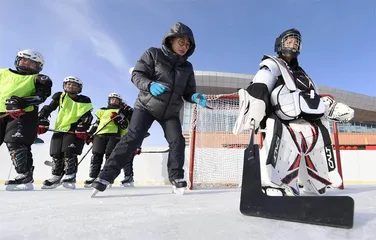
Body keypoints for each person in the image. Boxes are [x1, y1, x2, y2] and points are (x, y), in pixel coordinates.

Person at [233, 28, 354, 196]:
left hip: (308, 123)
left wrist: (331, 108)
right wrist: (256, 103)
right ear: (280, 44)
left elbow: (312, 98)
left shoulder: (303, 74)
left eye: (296, 42)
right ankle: (274, 184)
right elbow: (260, 84)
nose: (293, 44)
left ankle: (314, 183)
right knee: (283, 140)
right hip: (282, 123)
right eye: (289, 41)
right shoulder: (272, 65)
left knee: (318, 141)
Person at [91, 22, 207, 195]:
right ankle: (105, 176)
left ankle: (176, 177)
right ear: (170, 40)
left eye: (188, 44)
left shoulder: (187, 67)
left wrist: (194, 97)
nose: (184, 47)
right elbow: (137, 75)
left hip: (170, 112)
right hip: (146, 106)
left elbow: (188, 92)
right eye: (181, 42)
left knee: (177, 141)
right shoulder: (153, 54)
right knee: (133, 137)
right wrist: (150, 84)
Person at [1, 49, 52, 191]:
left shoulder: (39, 78)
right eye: (24, 60)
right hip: (1, 113)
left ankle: (24, 175)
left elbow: (41, 96)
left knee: (15, 142)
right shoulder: (3, 73)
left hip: (22, 114)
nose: (26, 64)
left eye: (32, 63)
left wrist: (22, 102)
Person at [37, 76, 93, 190]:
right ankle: (56, 175)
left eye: (74, 85)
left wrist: (83, 126)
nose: (70, 86)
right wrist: (42, 118)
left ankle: (70, 175)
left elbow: (87, 115)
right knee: (56, 153)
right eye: (68, 84)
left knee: (69, 152)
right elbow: (48, 108)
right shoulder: (60, 97)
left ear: (79, 88)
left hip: (73, 130)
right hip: (60, 128)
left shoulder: (84, 100)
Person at [83, 93, 143, 188]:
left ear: (120, 102)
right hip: (100, 134)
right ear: (109, 100)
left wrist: (118, 119)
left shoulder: (122, 111)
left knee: (110, 156)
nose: (114, 101)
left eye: (116, 100)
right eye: (112, 99)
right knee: (96, 155)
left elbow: (125, 125)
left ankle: (105, 178)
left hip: (114, 135)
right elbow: (97, 123)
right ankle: (93, 176)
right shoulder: (102, 110)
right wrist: (90, 134)